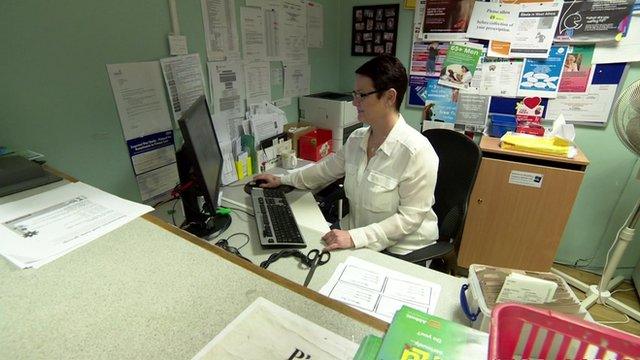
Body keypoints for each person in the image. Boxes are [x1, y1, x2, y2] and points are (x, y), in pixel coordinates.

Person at [253, 55, 439, 255]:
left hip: (402, 250)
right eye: (354, 94)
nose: (354, 102)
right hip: (358, 235)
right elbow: (324, 170)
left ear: (389, 97)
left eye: (362, 95)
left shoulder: (417, 152)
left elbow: (409, 219)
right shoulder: (357, 139)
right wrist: (282, 179)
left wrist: (355, 237)